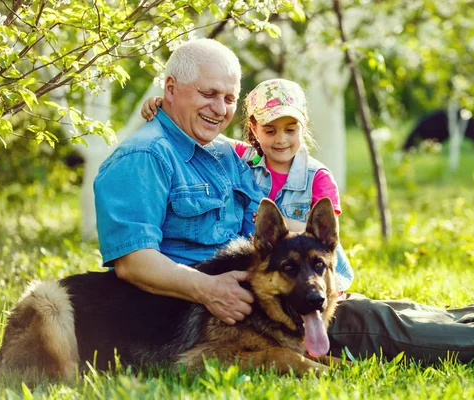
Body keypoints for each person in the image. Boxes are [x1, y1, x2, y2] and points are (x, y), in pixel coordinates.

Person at [95, 38, 474, 365]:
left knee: (371, 307)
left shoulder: (224, 154)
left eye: (228, 97)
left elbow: (268, 222)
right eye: (207, 94)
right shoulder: (143, 158)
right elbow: (134, 263)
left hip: (262, 286)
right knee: (368, 324)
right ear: (171, 89)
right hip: (210, 309)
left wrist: (324, 261)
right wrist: (209, 291)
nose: (219, 109)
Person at [140, 78, 354, 293]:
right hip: (260, 268)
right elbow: (203, 132)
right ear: (254, 127)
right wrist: (167, 106)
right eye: (270, 131)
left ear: (303, 125)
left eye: (290, 130)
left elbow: (327, 233)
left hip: (305, 270)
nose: (280, 140)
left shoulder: (317, 177)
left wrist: (279, 223)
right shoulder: (245, 157)